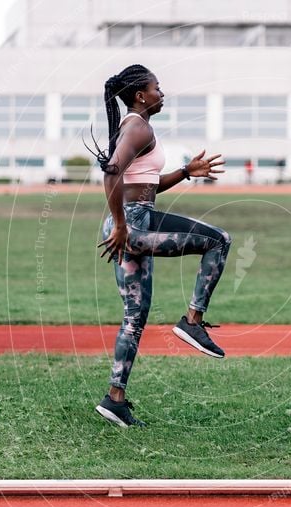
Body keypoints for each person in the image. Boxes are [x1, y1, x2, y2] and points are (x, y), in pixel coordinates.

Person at [87, 64, 230, 428]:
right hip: (132, 225)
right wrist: (121, 225)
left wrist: (185, 172)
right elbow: (111, 172)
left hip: (134, 220)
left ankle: (114, 400)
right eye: (157, 88)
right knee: (219, 240)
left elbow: (143, 184)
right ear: (140, 95)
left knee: (135, 316)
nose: (161, 94)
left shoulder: (135, 127)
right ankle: (192, 321)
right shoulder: (138, 126)